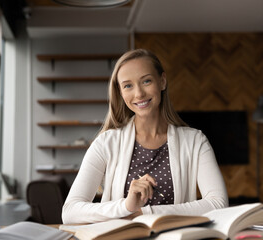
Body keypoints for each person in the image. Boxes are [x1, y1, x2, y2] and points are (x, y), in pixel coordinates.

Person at [62, 49, 228, 224]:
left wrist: (145, 213)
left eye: (146, 81)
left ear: (162, 81)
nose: (139, 94)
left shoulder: (195, 141)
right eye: (128, 86)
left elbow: (218, 203)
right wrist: (125, 206)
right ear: (120, 92)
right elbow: (70, 212)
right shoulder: (105, 143)